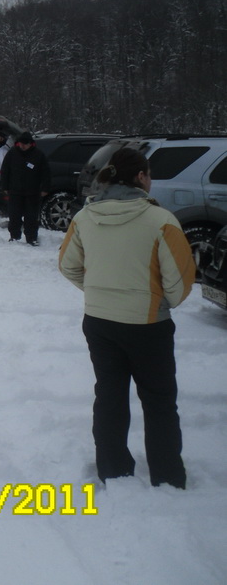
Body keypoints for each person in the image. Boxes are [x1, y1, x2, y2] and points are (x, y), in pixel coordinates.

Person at [58, 147, 195, 489]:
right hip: (149, 325)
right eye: (149, 175)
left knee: (109, 396)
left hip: (99, 322)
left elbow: (67, 265)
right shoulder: (161, 220)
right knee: (159, 401)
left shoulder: (85, 217)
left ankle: (113, 469)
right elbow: (180, 280)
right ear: (140, 177)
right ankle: (167, 475)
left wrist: (99, 292)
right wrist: (161, 302)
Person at [0, 131, 50, 245]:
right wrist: (4, 186)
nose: (23, 146)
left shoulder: (38, 155)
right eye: (21, 143)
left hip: (32, 192)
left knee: (31, 217)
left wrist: (45, 188)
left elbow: (46, 173)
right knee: (14, 216)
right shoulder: (12, 153)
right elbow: (5, 170)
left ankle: (31, 238)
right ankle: (14, 236)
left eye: (25, 144)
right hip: (15, 191)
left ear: (30, 143)